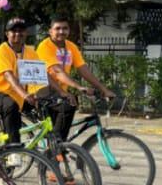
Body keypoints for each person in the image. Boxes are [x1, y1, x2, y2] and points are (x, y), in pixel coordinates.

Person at [30, 16, 115, 145]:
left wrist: (103, 89)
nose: (61, 31)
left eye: (65, 28)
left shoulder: (71, 47)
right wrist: (78, 87)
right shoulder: (44, 46)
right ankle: (56, 146)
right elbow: (57, 71)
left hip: (60, 91)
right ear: (50, 31)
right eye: (57, 28)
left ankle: (56, 146)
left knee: (70, 105)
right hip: (42, 88)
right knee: (68, 105)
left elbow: (83, 70)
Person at [0, 18, 40, 146]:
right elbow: (9, 76)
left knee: (50, 104)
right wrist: (25, 95)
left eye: (21, 30)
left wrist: (39, 94)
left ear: (26, 33)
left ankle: (55, 145)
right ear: (7, 34)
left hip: (18, 96)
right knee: (10, 105)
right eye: (14, 31)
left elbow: (37, 78)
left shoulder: (31, 52)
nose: (18, 33)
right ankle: (13, 151)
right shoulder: (2, 50)